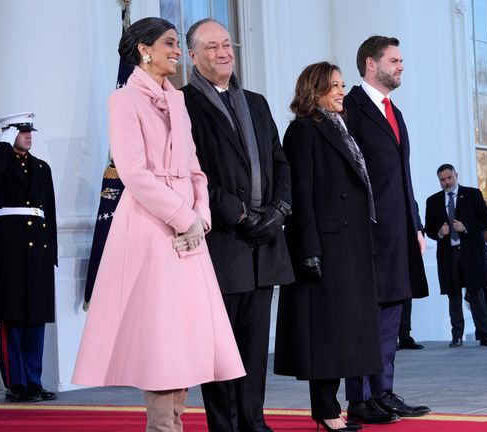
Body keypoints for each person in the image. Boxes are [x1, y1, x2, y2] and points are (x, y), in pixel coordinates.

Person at [72, 17, 245, 432]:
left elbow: (194, 167)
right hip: (151, 229)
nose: (175, 50)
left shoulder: (179, 100)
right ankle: (161, 426)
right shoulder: (124, 100)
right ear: (143, 50)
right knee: (162, 337)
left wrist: (201, 212)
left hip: (190, 232)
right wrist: (183, 216)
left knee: (186, 336)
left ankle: (176, 423)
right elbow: (134, 172)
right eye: (169, 43)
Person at [181, 18, 294, 432]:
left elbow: (281, 164)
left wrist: (279, 211)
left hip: (265, 245)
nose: (223, 52)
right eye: (212, 47)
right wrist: (242, 215)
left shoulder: (258, 103)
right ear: (193, 56)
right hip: (221, 243)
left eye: (227, 44)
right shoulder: (181, 104)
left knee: (252, 345)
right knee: (220, 348)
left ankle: (254, 420)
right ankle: (226, 426)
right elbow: (189, 174)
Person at [274, 62, 382, 432]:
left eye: (341, 84)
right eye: (332, 85)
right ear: (314, 90)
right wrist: (308, 249)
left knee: (343, 333)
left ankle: (333, 409)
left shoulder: (341, 128)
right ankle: (326, 412)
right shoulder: (303, 130)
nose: (340, 91)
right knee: (326, 334)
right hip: (324, 246)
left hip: (349, 245)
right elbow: (300, 195)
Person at [342, 35, 430, 424]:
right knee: (364, 317)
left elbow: (402, 176)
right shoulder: (350, 108)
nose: (400, 66)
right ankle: (360, 398)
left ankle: (384, 392)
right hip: (366, 234)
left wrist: (416, 225)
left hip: (398, 232)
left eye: (400, 60)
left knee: (391, 315)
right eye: (394, 60)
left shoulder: (394, 110)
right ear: (370, 64)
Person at [0, 111, 58, 403]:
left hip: (37, 249)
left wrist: (53, 254)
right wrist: (2, 146)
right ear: (8, 133)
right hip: (8, 247)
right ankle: (16, 383)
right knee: (12, 317)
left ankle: (33, 381)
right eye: (21, 131)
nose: (28, 136)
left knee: (36, 317)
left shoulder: (41, 167)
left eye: (29, 131)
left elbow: (50, 210)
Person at [424, 164, 487, 348]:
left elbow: (485, 221)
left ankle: (485, 334)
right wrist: (440, 232)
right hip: (449, 256)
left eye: (449, 178)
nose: (446, 182)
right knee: (454, 295)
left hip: (471, 254)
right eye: (442, 180)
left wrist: (465, 227)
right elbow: (429, 229)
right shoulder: (433, 201)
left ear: (456, 175)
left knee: (476, 294)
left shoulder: (473, 194)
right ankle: (457, 335)